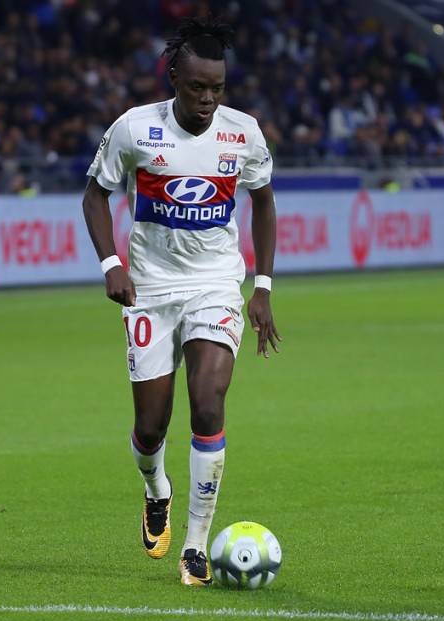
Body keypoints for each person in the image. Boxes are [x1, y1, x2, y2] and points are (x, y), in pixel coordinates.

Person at [82, 16, 281, 586]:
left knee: (208, 402)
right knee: (151, 427)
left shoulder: (243, 133)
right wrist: (111, 264)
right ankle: (155, 488)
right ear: (174, 78)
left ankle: (195, 547)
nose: (208, 99)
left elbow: (264, 203)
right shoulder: (134, 129)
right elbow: (95, 196)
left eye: (217, 88)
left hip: (215, 284)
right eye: (197, 87)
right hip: (149, 289)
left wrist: (262, 287)